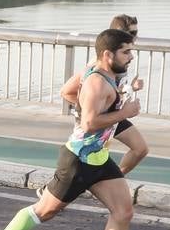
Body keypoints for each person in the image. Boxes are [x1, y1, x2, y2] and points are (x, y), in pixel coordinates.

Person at [0, 28, 141, 230]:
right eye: (126, 52)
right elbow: (91, 122)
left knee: (124, 211)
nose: (131, 57)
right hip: (77, 161)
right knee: (45, 211)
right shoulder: (95, 81)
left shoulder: (109, 76)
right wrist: (123, 112)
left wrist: (117, 102)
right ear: (108, 54)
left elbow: (76, 99)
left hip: (100, 160)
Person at [58, 13, 149, 175]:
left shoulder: (121, 58)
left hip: (114, 114)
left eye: (136, 33)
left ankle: (114, 180)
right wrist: (88, 109)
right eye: (132, 33)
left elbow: (112, 91)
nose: (135, 37)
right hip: (103, 119)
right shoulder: (97, 64)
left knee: (140, 149)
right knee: (138, 148)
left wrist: (131, 88)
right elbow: (66, 91)